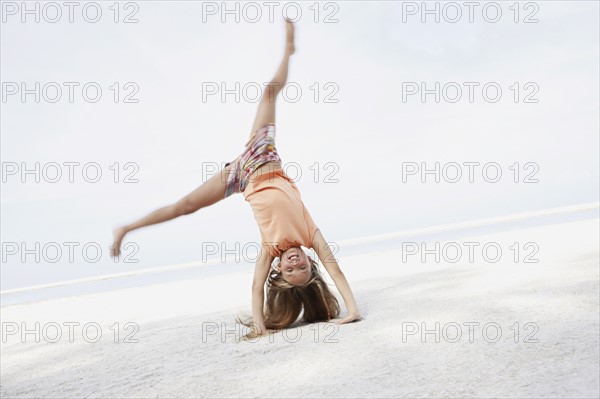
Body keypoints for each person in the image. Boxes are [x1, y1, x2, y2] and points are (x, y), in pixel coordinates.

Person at [110, 18, 361, 340]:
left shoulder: (269, 249)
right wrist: (351, 309)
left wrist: (260, 326)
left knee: (185, 206)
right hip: (263, 158)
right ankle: (288, 49)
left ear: (278, 269)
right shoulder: (312, 235)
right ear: (313, 264)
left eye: (289, 270)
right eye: (303, 268)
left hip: (240, 177)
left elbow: (257, 287)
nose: (295, 264)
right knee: (269, 93)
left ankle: (127, 228)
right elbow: (336, 271)